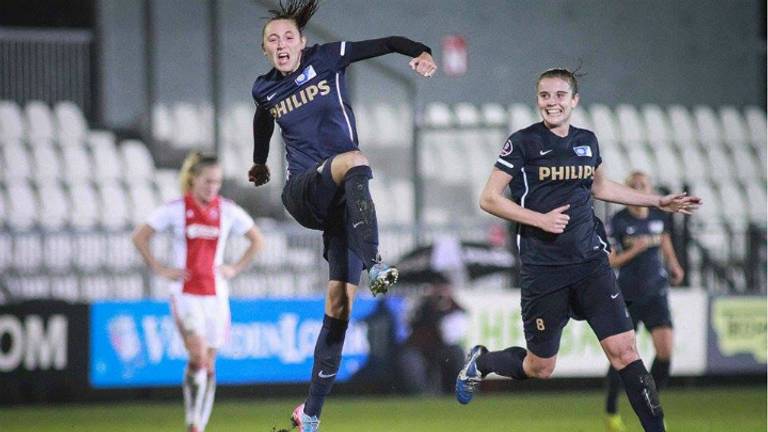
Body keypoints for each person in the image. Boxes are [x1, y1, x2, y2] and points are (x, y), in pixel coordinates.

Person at [454, 68, 701, 432]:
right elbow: (488, 198)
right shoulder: (522, 142)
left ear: (574, 100)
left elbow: (602, 188)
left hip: (591, 263)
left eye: (559, 96)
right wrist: (538, 219)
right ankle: (484, 362)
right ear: (537, 99)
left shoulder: (587, 141)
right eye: (544, 96)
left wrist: (658, 201)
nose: (551, 103)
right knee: (541, 367)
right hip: (544, 269)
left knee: (625, 352)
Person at [247, 1, 436, 430]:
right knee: (354, 159)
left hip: (339, 208)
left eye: (288, 37)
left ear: (303, 43)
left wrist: (420, 50)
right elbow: (263, 122)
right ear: (265, 51)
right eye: (273, 40)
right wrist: (260, 163)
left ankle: (310, 414)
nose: (282, 44)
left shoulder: (328, 58)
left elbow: (387, 42)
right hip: (302, 192)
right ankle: (376, 265)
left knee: (339, 308)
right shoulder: (264, 88)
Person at [132, 151, 264, 432]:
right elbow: (140, 236)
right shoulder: (176, 209)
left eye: (217, 182)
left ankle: (198, 425)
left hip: (216, 295)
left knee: (210, 363)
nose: (212, 187)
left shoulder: (227, 210)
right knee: (198, 355)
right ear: (193, 179)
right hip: (186, 293)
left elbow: (256, 239)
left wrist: (235, 268)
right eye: (207, 181)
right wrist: (160, 268)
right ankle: (193, 421)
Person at [603, 171, 684, 432]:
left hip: (656, 293)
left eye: (643, 185)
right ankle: (611, 410)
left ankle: (649, 403)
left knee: (665, 351)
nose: (639, 189)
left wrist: (674, 265)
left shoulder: (659, 216)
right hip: (627, 294)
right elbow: (611, 260)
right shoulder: (618, 221)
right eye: (634, 186)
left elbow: (665, 243)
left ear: (649, 189)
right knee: (621, 356)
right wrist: (634, 250)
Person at [398, 282, 468, 395]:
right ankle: (420, 395)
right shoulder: (421, 307)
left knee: (457, 353)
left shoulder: (456, 310)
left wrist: (440, 313)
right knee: (409, 360)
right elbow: (407, 325)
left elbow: (449, 337)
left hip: (444, 350)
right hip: (419, 348)